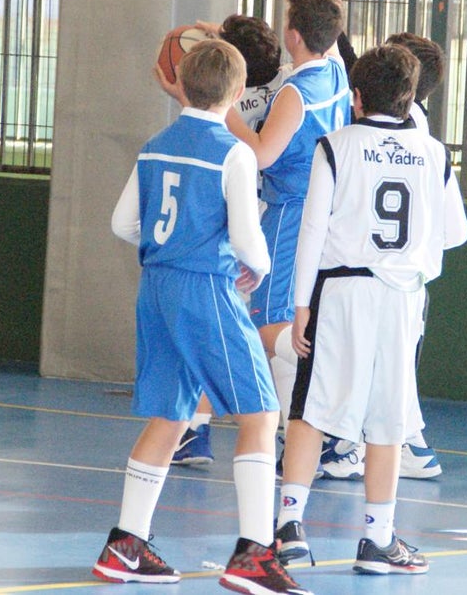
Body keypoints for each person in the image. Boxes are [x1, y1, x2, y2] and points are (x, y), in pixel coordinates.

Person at [93, 39, 310, 595]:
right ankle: (254, 556)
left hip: (157, 287)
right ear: (238, 93)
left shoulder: (155, 144)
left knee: (171, 414)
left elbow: (123, 224)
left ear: (181, 85)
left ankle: (125, 544)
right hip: (205, 288)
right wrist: (257, 268)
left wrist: (168, 248)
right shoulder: (233, 151)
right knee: (260, 414)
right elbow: (247, 238)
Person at [273, 44, 467, 573]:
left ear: (355, 97)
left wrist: (299, 305)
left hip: (340, 293)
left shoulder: (335, 145)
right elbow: (457, 232)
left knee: (312, 408)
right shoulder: (434, 152)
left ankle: (290, 527)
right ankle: (378, 540)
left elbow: (312, 231)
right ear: (413, 97)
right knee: (388, 419)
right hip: (403, 300)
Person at [224, 0, 351, 470]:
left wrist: (222, 104)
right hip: (326, 212)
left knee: (270, 326)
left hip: (290, 213)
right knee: (282, 323)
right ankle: (301, 428)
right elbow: (322, 24)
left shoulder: (295, 94)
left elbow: (260, 155)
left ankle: (322, 417)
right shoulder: (339, 71)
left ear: (292, 38)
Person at [167, 14, 282, 468]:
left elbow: (208, 120)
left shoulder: (231, 113)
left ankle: (195, 430)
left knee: (210, 339)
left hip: (225, 228)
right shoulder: (284, 90)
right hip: (261, 219)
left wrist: (183, 87)